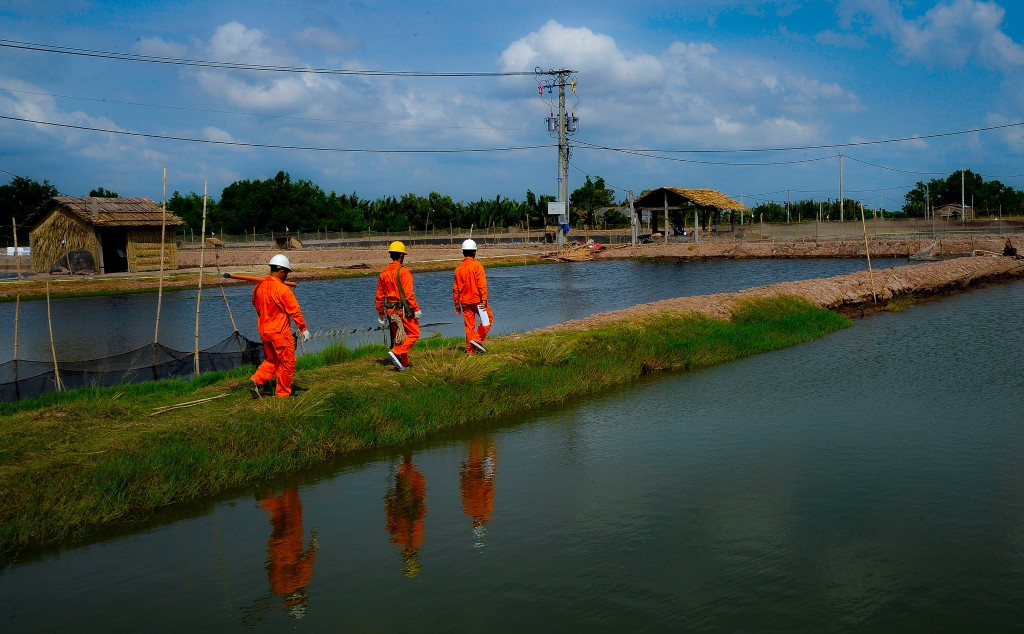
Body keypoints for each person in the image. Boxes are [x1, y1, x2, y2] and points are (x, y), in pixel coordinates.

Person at [249, 254, 310, 398]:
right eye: (287, 273)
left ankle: (256, 380)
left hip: (264, 332)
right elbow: (294, 310)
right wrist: (303, 328)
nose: (287, 276)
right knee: (287, 363)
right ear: (282, 271)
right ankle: (283, 394)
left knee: (272, 360)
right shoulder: (283, 289)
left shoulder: (258, 287)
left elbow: (256, 306)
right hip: (280, 333)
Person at [375, 241, 421, 371]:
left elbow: (379, 297)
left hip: (391, 312)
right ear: (402, 256)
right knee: (414, 334)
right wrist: (416, 309)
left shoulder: (383, 274)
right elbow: (409, 294)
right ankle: (396, 352)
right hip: (403, 311)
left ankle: (403, 364)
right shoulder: (404, 272)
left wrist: (380, 313)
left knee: (399, 338)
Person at [452, 238, 493, 355]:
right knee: (488, 319)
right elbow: (482, 285)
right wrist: (484, 299)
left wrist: (456, 304)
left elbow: (455, 288)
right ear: (474, 252)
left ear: (463, 252)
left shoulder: (458, 269)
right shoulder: (477, 266)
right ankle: (477, 339)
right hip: (478, 301)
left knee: (469, 326)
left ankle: (470, 351)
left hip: (465, 302)